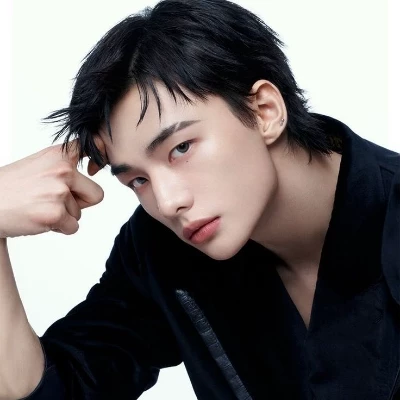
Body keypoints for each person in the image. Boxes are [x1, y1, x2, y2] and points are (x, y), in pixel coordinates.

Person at [0, 0, 399, 399]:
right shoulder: (162, 248)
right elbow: (50, 390)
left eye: (181, 148)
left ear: (264, 111)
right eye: (137, 180)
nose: (167, 202)